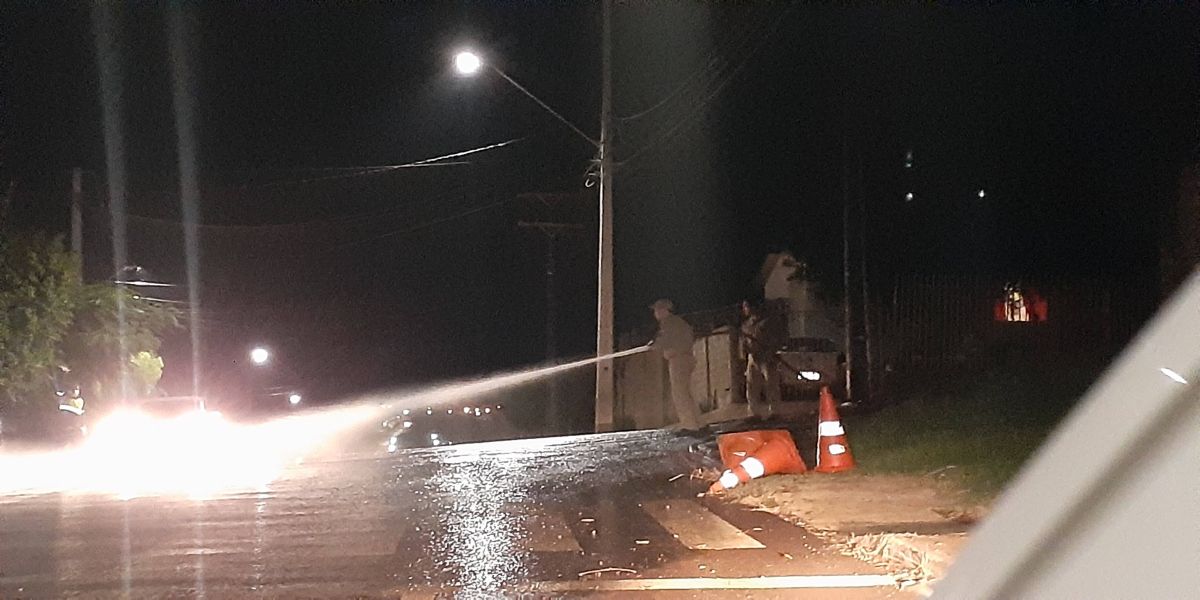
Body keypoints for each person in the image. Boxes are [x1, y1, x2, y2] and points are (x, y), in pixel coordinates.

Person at [649, 298, 702, 431]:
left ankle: (690, 426)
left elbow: (665, 340)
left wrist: (655, 345)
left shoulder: (669, 323)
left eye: (657, 310)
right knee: (687, 393)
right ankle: (699, 424)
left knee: (680, 394)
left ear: (664, 310)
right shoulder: (678, 322)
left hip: (679, 360)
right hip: (686, 358)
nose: (655, 313)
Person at [740, 300, 782, 419]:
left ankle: (774, 411)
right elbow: (744, 342)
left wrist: (770, 351)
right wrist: (744, 354)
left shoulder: (766, 323)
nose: (744, 309)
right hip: (753, 357)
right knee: (752, 385)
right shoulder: (746, 325)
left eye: (746, 307)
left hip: (767, 357)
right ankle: (753, 412)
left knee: (771, 384)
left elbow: (774, 339)